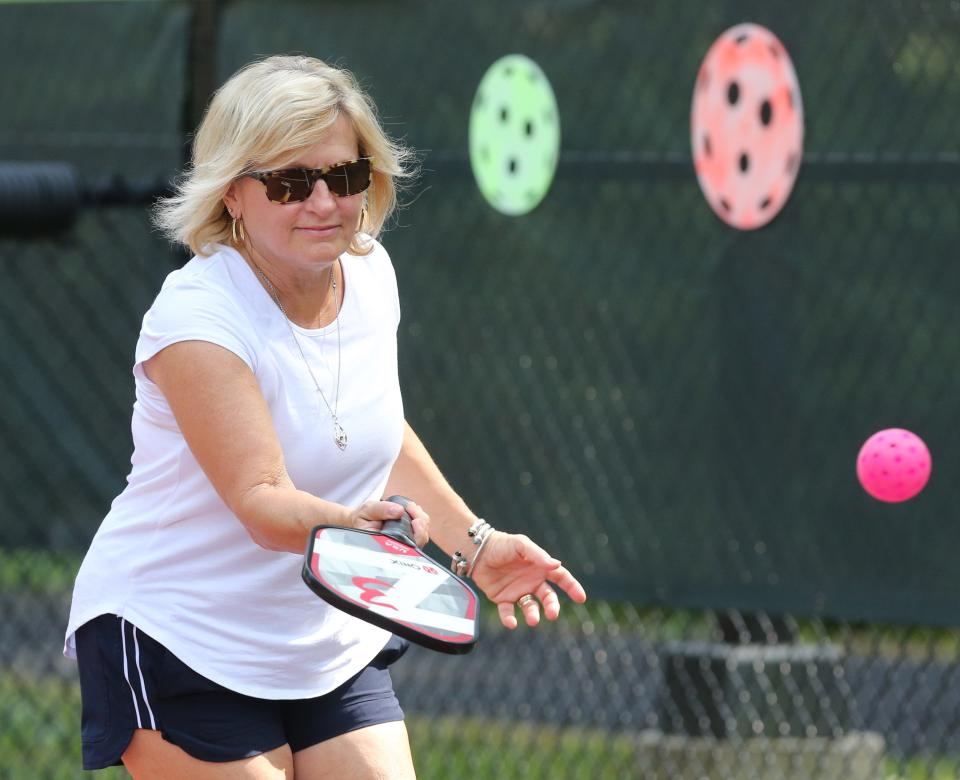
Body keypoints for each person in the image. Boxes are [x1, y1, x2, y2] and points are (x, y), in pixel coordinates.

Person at [63, 54, 587, 779]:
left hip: (320, 634)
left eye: (343, 177)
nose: (323, 202)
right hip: (179, 631)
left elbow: (377, 433)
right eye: (289, 181)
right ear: (233, 194)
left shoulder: (370, 273)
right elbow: (261, 501)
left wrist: (475, 545)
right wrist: (355, 528)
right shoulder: (198, 319)